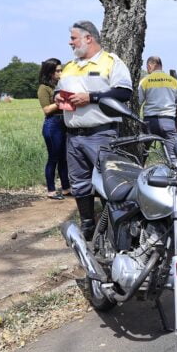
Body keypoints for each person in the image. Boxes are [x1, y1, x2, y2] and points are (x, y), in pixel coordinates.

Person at [56, 20, 133, 240]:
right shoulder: (69, 66)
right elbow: (57, 90)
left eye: (73, 38)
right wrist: (58, 97)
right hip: (73, 136)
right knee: (79, 184)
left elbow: (124, 93)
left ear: (88, 38)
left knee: (108, 182)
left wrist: (91, 98)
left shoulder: (111, 62)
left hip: (101, 134)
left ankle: (113, 230)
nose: (70, 42)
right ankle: (88, 227)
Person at [37, 58, 70, 200]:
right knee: (53, 158)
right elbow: (46, 109)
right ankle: (51, 190)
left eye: (61, 70)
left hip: (64, 123)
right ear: (50, 72)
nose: (60, 73)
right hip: (52, 125)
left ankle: (66, 188)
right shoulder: (43, 88)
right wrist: (61, 101)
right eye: (57, 71)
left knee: (64, 158)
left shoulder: (61, 86)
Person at [138, 55, 177, 162]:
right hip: (169, 121)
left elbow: (138, 102)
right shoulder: (174, 81)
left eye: (147, 67)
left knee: (142, 153)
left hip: (149, 122)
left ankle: (139, 169)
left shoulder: (145, 81)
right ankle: (175, 171)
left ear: (150, 65)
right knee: (173, 157)